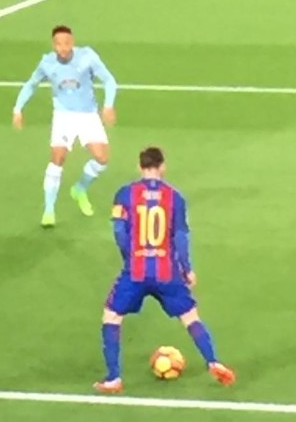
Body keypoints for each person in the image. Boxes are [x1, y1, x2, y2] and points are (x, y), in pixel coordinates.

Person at [95, 146, 236, 393]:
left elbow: (118, 230)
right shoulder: (175, 197)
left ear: (140, 167)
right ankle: (213, 361)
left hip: (136, 271)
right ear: (162, 166)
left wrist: (131, 256)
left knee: (112, 317)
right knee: (191, 317)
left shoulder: (125, 194)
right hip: (167, 271)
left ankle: (113, 378)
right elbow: (181, 236)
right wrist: (187, 268)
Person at [12, 25, 117, 227]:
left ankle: (79, 188)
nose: (63, 48)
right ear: (54, 45)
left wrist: (109, 105)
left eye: (67, 43)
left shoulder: (87, 57)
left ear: (73, 42)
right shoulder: (47, 63)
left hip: (88, 115)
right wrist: (18, 108)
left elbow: (109, 79)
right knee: (57, 159)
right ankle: (49, 210)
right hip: (63, 116)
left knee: (102, 159)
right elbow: (31, 84)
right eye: (59, 44)